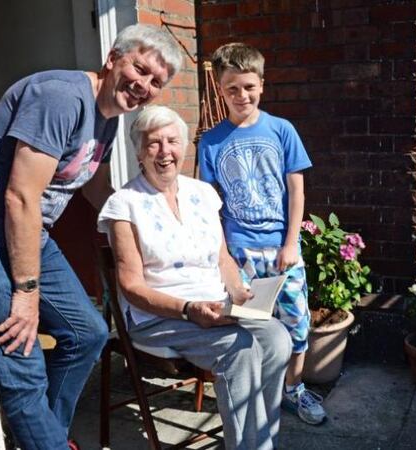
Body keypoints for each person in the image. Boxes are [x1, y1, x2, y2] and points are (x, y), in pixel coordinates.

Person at [0, 24, 181, 449]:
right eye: (140, 69)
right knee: (21, 365)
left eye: (156, 82)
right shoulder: (61, 97)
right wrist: (26, 293)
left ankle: (46, 438)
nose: (144, 85)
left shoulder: (108, 119)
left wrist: (146, 227)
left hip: (24, 231)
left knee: (87, 334)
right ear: (113, 58)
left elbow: (96, 187)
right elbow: (21, 196)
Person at [97, 105, 291, 450]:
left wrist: (238, 291)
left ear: (184, 146)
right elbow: (131, 286)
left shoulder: (202, 194)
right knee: (239, 349)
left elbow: (222, 258)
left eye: (172, 141)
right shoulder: (124, 204)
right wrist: (188, 309)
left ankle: (262, 440)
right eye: (153, 143)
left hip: (217, 307)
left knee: (277, 338)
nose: (164, 151)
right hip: (158, 317)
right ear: (139, 152)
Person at [198, 43, 325, 425]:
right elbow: (208, 204)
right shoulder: (211, 142)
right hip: (240, 253)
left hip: (282, 251)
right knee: (248, 327)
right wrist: (223, 257)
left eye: (249, 87)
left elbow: (297, 191)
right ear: (221, 90)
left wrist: (291, 243)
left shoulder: (282, 130)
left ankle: (294, 389)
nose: (242, 95)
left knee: (296, 323)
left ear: (262, 85)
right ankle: (254, 395)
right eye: (233, 88)